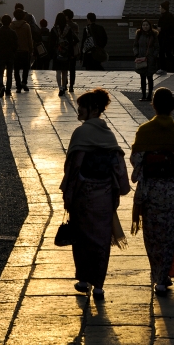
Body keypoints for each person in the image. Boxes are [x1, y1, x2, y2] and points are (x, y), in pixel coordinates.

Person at [59, 88, 130, 300]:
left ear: (93, 109)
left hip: (83, 193)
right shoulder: (108, 133)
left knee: (82, 237)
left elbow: (73, 167)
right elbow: (118, 164)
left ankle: (83, 279)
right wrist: (120, 188)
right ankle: (98, 284)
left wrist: (68, 193)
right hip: (105, 194)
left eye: (82, 106)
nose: (78, 110)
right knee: (101, 239)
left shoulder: (81, 133)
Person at [130, 87, 174, 296]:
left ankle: (158, 275)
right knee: (170, 232)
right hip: (171, 186)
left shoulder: (145, 130)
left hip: (151, 188)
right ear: (173, 106)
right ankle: (164, 276)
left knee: (152, 234)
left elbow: (136, 160)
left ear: (153, 105)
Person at [49, 12, 78, 96]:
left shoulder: (54, 29)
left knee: (58, 71)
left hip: (57, 53)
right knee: (65, 71)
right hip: (66, 53)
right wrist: (71, 53)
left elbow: (51, 43)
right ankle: (64, 85)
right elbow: (72, 42)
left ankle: (60, 88)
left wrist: (51, 53)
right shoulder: (68, 29)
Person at [0, 15, 19, 97]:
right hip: (10, 55)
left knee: (0, 73)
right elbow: (16, 45)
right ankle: (8, 90)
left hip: (0, 55)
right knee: (9, 73)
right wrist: (13, 52)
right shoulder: (13, 32)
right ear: (10, 22)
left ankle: (1, 86)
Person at [133, 20, 160, 102]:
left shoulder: (153, 35)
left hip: (150, 58)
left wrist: (154, 55)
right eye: (144, 25)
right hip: (141, 58)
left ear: (149, 26)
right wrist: (136, 54)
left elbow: (157, 47)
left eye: (147, 25)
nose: (145, 26)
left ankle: (149, 95)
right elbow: (135, 45)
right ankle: (143, 95)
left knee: (150, 77)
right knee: (142, 77)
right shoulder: (139, 34)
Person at [10, 9, 34, 92]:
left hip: (15, 51)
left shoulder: (11, 26)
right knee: (25, 68)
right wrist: (31, 49)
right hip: (25, 50)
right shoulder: (26, 26)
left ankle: (18, 85)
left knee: (16, 69)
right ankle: (24, 82)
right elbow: (29, 39)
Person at [157, 1, 174, 75]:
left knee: (168, 53)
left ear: (164, 8)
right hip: (162, 38)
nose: (159, 9)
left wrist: (161, 29)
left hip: (168, 38)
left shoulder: (168, 16)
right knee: (161, 53)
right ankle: (163, 68)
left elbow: (172, 27)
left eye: (160, 7)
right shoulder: (163, 16)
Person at [63, 9, 80, 91]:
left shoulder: (63, 26)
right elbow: (76, 38)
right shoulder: (75, 25)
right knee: (72, 68)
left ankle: (65, 84)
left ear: (66, 16)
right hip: (73, 50)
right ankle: (71, 86)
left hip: (65, 49)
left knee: (65, 67)